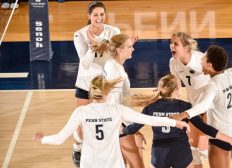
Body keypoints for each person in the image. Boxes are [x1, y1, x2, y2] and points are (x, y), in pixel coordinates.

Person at [33, 75, 190, 168]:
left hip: (90, 164)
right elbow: (151, 120)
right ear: (107, 91)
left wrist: (42, 139)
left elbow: (59, 139)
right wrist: (176, 123)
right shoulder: (116, 110)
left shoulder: (81, 112)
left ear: (92, 93)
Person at [170, 19, 232, 168]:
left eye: (204, 59)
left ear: (210, 65)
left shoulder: (213, 84)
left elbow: (203, 105)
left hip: (221, 136)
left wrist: (183, 114)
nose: (200, 60)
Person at [119, 74, 232, 168]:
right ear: (175, 90)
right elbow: (205, 128)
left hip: (160, 154)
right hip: (181, 152)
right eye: (180, 86)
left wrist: (116, 131)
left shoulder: (150, 108)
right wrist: (230, 139)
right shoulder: (185, 107)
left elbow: (132, 129)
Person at [72, 1, 120, 167]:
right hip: (85, 84)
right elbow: (85, 63)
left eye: (102, 14)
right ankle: (77, 147)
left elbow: (115, 54)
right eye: (95, 15)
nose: (99, 18)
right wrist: (93, 47)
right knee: (82, 123)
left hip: (105, 85)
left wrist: (100, 43)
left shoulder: (114, 31)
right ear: (89, 16)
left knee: (108, 120)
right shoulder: (79, 34)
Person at [93, 33, 146, 168]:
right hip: (119, 124)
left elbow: (118, 98)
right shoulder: (115, 70)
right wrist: (133, 130)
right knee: (137, 164)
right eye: (129, 47)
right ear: (119, 50)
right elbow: (114, 104)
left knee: (121, 163)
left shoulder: (113, 65)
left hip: (115, 122)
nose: (133, 49)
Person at [169, 31, 210, 167]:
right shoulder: (173, 63)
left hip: (210, 106)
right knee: (193, 150)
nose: (172, 46)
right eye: (171, 43)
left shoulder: (201, 60)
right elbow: (176, 83)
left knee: (205, 148)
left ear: (186, 48)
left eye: (176, 44)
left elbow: (217, 78)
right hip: (193, 106)